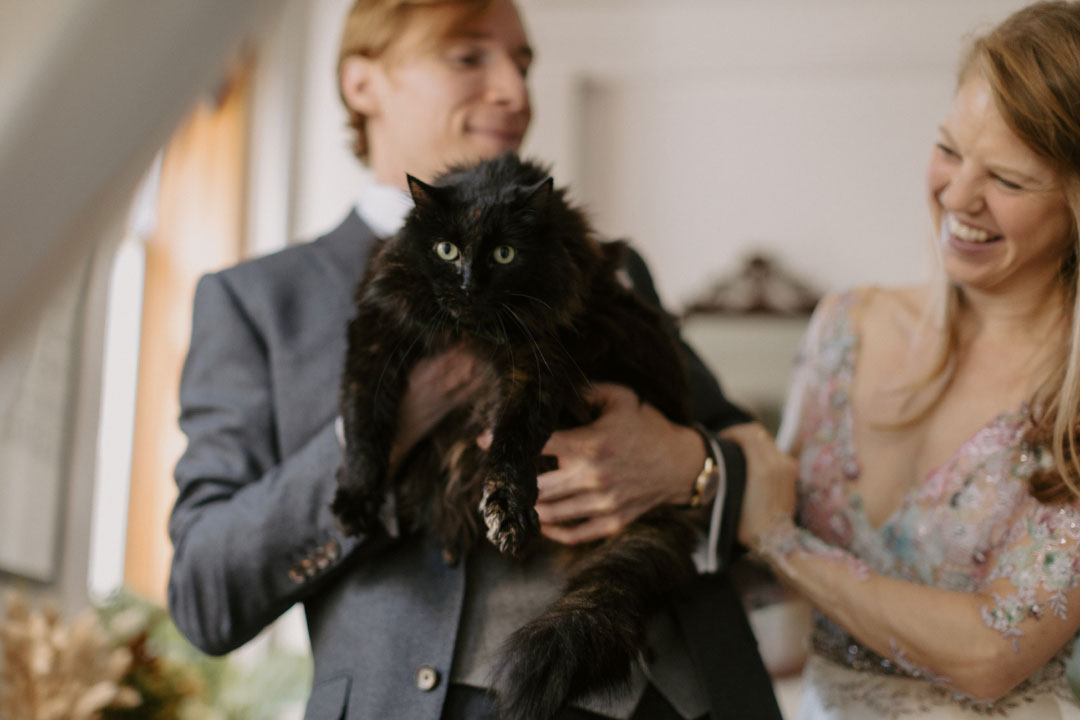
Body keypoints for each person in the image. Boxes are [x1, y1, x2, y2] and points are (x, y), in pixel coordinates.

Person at [166, 1, 781, 718]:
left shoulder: (603, 261)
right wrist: (383, 432)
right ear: (362, 83)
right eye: (468, 57)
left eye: (523, 65)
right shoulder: (260, 300)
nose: (516, 94)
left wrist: (684, 463)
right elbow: (203, 594)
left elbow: (752, 458)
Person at [733, 2, 1080, 718]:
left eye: (1008, 181)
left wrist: (776, 540)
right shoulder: (844, 326)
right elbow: (753, 552)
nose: (956, 196)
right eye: (950, 149)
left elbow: (991, 655)